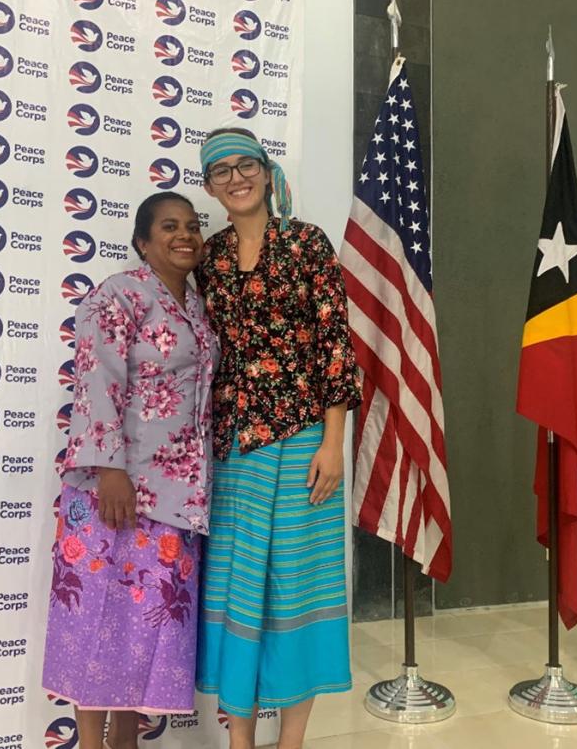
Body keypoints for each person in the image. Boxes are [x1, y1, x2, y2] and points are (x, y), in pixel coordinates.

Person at [194, 128, 361, 749]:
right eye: (221, 173)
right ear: (210, 186)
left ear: (266, 174)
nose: (235, 179)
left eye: (245, 167)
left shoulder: (305, 244)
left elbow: (334, 346)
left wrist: (334, 441)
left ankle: (289, 743)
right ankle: (240, 741)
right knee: (240, 590)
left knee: (297, 588)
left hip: (304, 441)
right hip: (234, 450)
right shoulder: (207, 257)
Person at [43, 192, 220, 749]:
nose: (184, 235)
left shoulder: (197, 306)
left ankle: (126, 742)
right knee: (96, 622)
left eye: (192, 225)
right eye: (169, 226)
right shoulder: (116, 295)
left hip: (177, 499)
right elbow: (96, 380)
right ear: (143, 242)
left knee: (142, 635)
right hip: (115, 493)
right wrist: (109, 469)